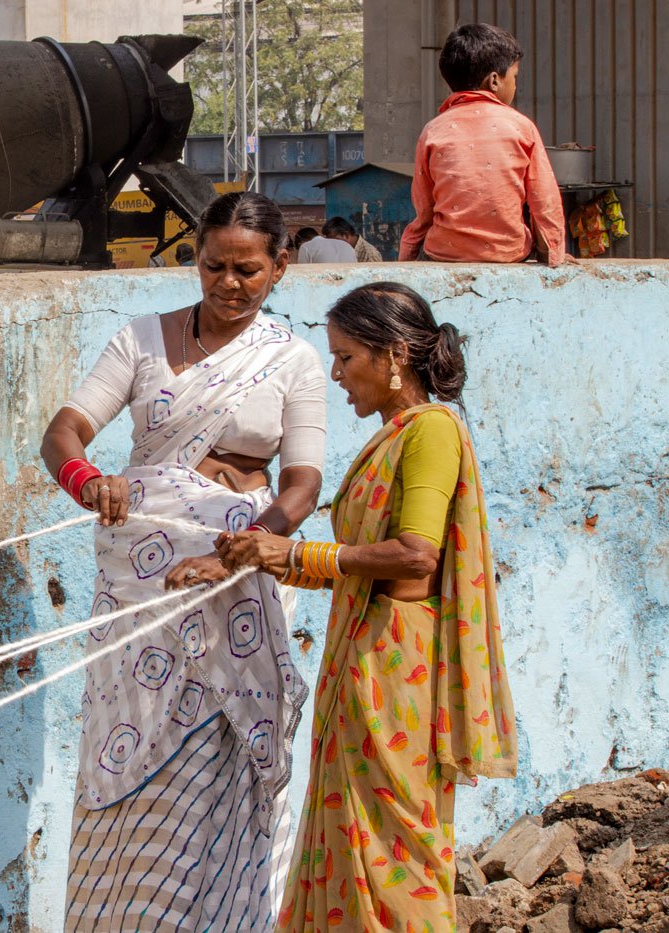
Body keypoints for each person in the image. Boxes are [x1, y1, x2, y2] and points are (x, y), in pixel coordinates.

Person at [41, 190, 328, 931]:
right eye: (213, 267)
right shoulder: (141, 340)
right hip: (143, 582)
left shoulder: (292, 360)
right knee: (128, 747)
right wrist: (88, 481)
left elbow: (301, 483)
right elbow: (65, 430)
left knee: (222, 755)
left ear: (280, 268)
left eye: (248, 271)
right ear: (195, 259)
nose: (228, 285)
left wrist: (246, 550)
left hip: (240, 581)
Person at [216, 282, 518, 931]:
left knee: (395, 857)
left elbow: (414, 554)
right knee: (355, 846)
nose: (336, 374)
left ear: (396, 355)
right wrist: (270, 552)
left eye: (347, 357)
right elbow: (362, 563)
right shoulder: (392, 437)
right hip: (362, 663)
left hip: (396, 674)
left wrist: (301, 559)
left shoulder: (431, 431)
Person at [398, 23, 567, 265]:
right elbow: (544, 203)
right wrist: (552, 253)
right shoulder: (521, 127)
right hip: (507, 254)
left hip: (444, 255)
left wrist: (408, 253)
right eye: (515, 77)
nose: (516, 86)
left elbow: (424, 210)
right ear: (495, 81)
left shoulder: (433, 130)